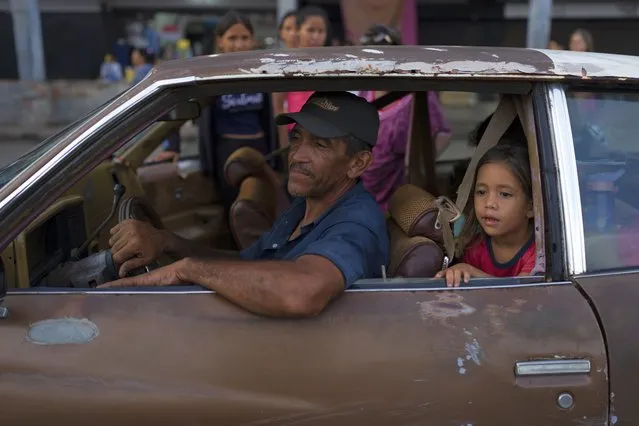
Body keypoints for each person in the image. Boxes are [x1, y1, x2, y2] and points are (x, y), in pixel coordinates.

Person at [101, 91, 390, 318]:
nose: (297, 156)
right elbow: (246, 264)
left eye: (320, 145)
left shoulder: (356, 223)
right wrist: (168, 242)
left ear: (357, 163)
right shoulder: (307, 206)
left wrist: (188, 270)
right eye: (296, 138)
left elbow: (300, 292)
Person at [154, 11, 279, 217]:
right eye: (232, 38)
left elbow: (268, 119)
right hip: (226, 155)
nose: (239, 45)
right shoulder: (209, 75)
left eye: (244, 38)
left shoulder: (260, 73)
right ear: (220, 41)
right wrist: (173, 147)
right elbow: (176, 108)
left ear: (253, 40)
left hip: (260, 152)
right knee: (234, 215)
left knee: (263, 211)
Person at [358, 24, 452, 212]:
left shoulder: (415, 97)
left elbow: (442, 133)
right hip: (362, 184)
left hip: (399, 187)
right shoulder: (366, 92)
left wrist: (415, 167)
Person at [435, 143, 535, 287]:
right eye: (481, 192)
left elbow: (522, 294)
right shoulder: (474, 248)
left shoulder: (539, 254)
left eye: (504, 194)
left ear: (530, 207)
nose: (489, 203)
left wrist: (471, 272)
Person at [274, 5, 332, 149]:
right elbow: (278, 108)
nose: (316, 36)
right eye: (311, 30)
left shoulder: (331, 64)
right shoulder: (287, 64)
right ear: (298, 31)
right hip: (296, 136)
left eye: (321, 31)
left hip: (325, 136)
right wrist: (284, 147)